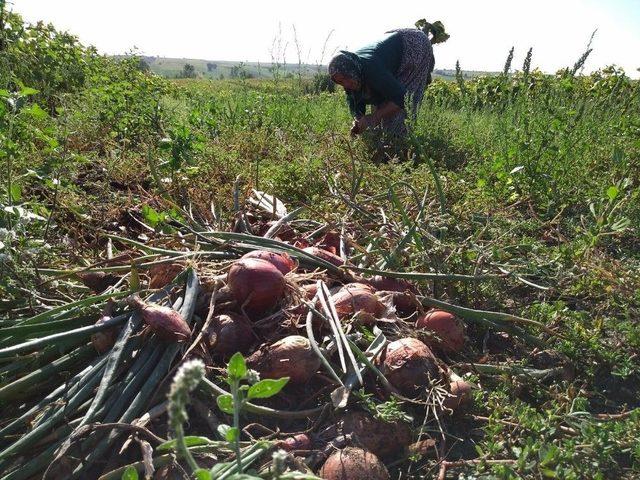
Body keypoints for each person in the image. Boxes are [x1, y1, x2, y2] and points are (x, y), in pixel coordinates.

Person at [328, 28, 435, 138]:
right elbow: (356, 105)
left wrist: (373, 118)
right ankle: (386, 137)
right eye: (340, 81)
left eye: (346, 78)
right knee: (382, 112)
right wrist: (359, 122)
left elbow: (402, 98)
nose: (345, 84)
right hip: (390, 47)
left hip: (414, 45)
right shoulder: (353, 75)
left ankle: (402, 141)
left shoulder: (372, 68)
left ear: (351, 70)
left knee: (404, 103)